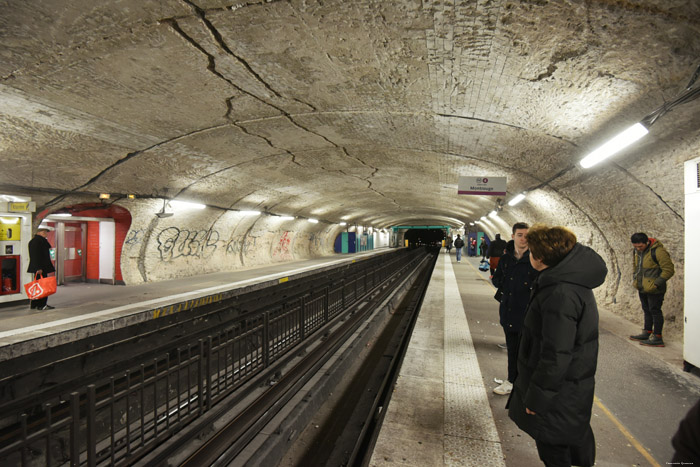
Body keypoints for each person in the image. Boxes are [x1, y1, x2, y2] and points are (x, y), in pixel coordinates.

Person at [508, 224, 607, 467]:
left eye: (531, 251)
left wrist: (536, 399)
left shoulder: (560, 294)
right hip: (570, 387)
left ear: (540, 258)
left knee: (554, 448)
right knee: (572, 436)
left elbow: (555, 354)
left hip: (558, 392)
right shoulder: (568, 284)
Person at [491, 223, 538, 396]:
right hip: (508, 311)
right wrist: (504, 287)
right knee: (512, 349)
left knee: (525, 351)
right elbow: (496, 280)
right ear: (513, 236)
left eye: (526, 235)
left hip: (528, 313)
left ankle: (519, 383)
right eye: (519, 235)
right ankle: (512, 380)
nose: (523, 238)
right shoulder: (506, 259)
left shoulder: (535, 259)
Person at [629, 232, 674, 347]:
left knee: (655, 311)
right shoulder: (637, 252)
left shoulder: (658, 251)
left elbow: (668, 269)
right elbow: (636, 267)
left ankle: (657, 337)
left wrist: (657, 284)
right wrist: (636, 280)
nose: (638, 249)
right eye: (636, 247)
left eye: (640, 246)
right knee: (646, 309)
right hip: (642, 286)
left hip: (655, 288)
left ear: (647, 242)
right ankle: (647, 332)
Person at [27, 228, 56, 310]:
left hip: (41, 267)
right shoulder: (37, 241)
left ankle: (35, 304)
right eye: (44, 232)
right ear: (38, 232)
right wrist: (38, 268)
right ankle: (42, 305)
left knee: (38, 286)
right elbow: (35, 256)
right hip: (40, 268)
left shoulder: (39, 241)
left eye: (46, 232)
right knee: (43, 286)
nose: (45, 234)